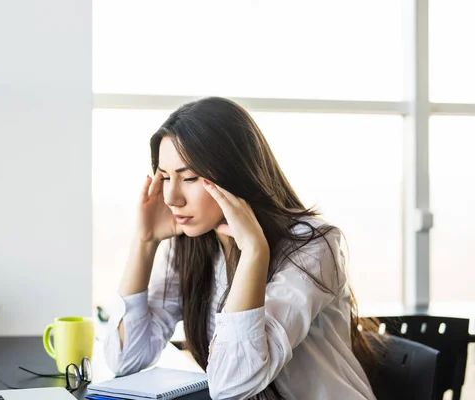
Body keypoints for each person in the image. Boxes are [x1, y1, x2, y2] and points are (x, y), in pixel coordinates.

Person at [103, 97, 377, 400]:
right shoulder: (192, 243)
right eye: (165, 177)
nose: (171, 197)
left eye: (190, 177)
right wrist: (144, 242)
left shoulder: (313, 245)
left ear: (236, 175)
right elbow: (127, 359)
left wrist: (253, 253)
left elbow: (233, 384)